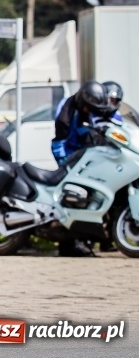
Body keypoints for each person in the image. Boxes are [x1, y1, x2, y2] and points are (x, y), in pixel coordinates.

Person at [51, 81, 119, 256]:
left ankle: (89, 240)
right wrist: (64, 162)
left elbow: (111, 117)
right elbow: (59, 141)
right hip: (71, 158)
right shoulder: (67, 113)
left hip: (87, 157)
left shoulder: (89, 108)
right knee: (75, 198)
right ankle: (69, 244)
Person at [51, 81, 119, 166]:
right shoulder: (65, 117)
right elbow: (58, 144)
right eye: (90, 108)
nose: (91, 111)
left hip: (88, 152)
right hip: (72, 156)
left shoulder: (85, 109)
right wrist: (65, 163)